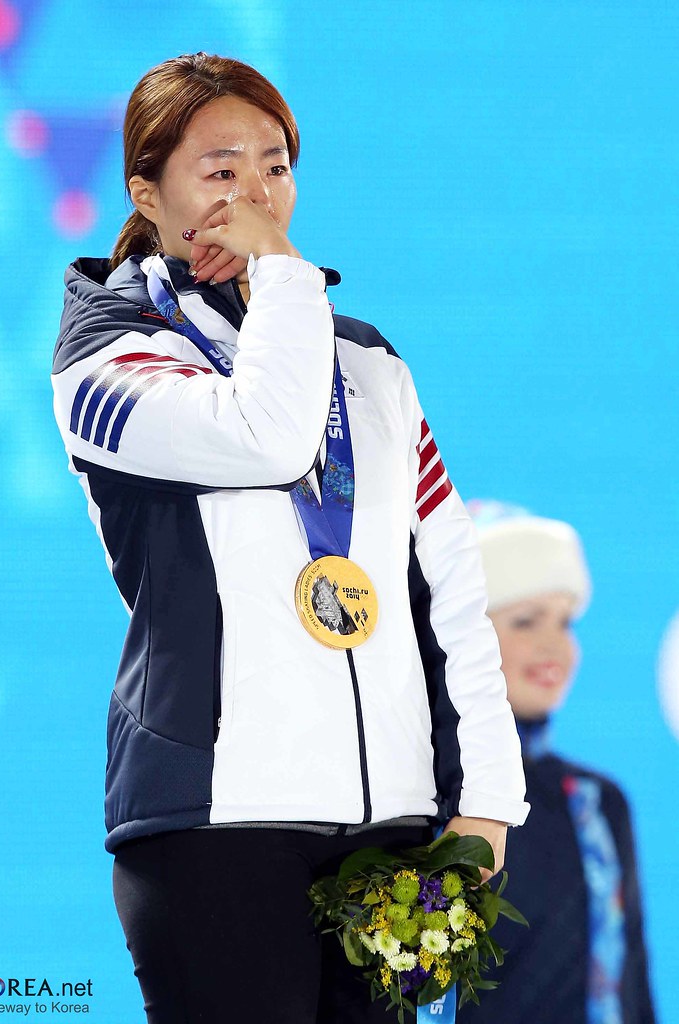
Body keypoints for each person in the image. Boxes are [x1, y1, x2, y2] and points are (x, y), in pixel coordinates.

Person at [51, 53, 529, 1024]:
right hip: (214, 817)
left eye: (274, 166)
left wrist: (483, 801)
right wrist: (282, 272)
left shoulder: (368, 359)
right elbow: (265, 431)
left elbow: (447, 583)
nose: (257, 196)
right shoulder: (106, 351)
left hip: (388, 820)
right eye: (219, 170)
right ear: (147, 190)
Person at [458, 500, 656, 1024]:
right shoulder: (427, 798)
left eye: (565, 622)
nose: (553, 645)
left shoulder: (596, 803)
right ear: (463, 637)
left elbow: (631, 986)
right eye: (525, 620)